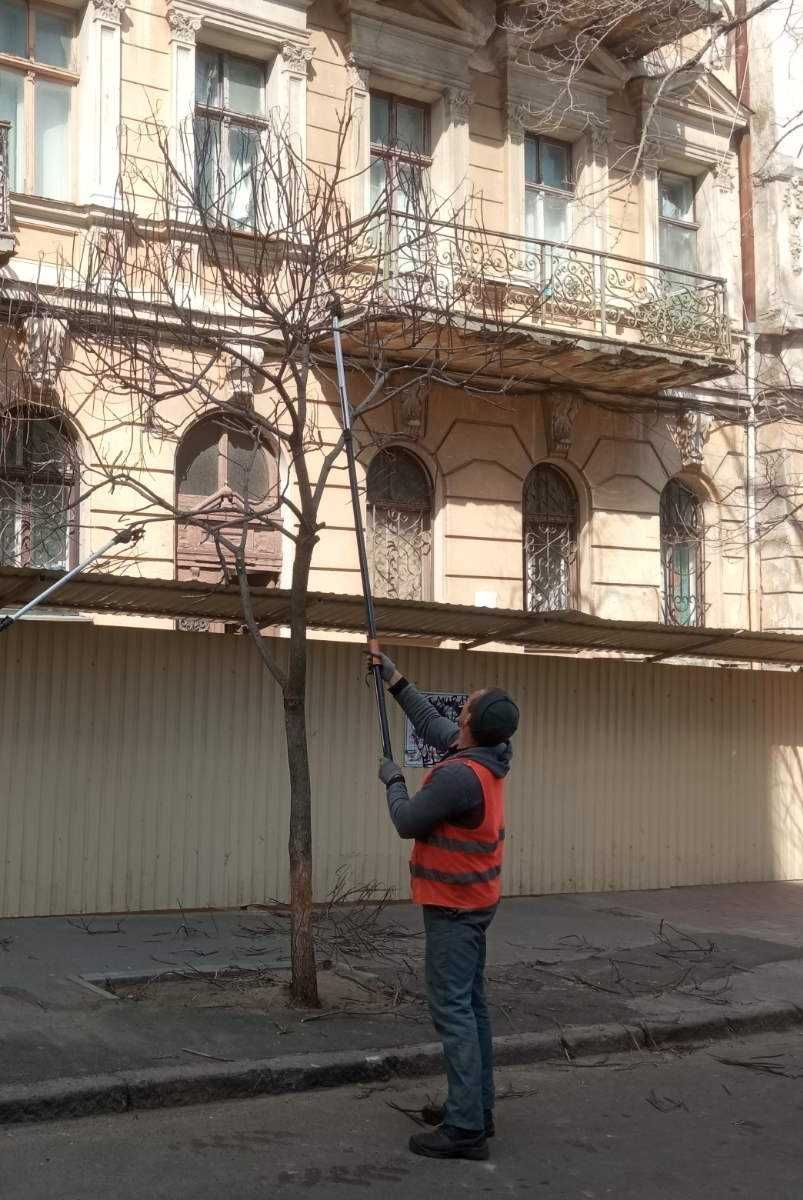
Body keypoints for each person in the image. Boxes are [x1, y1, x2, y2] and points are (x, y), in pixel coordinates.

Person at [374, 651, 519, 1162]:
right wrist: (393, 679)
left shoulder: (460, 777)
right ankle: (477, 1110)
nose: (457, 714)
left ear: (474, 728)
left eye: (465, 710)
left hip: (454, 907)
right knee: (472, 1006)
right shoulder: (488, 754)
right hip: (476, 901)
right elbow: (434, 725)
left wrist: (393, 780)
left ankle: (464, 1130)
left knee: (453, 1011)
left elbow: (409, 821)